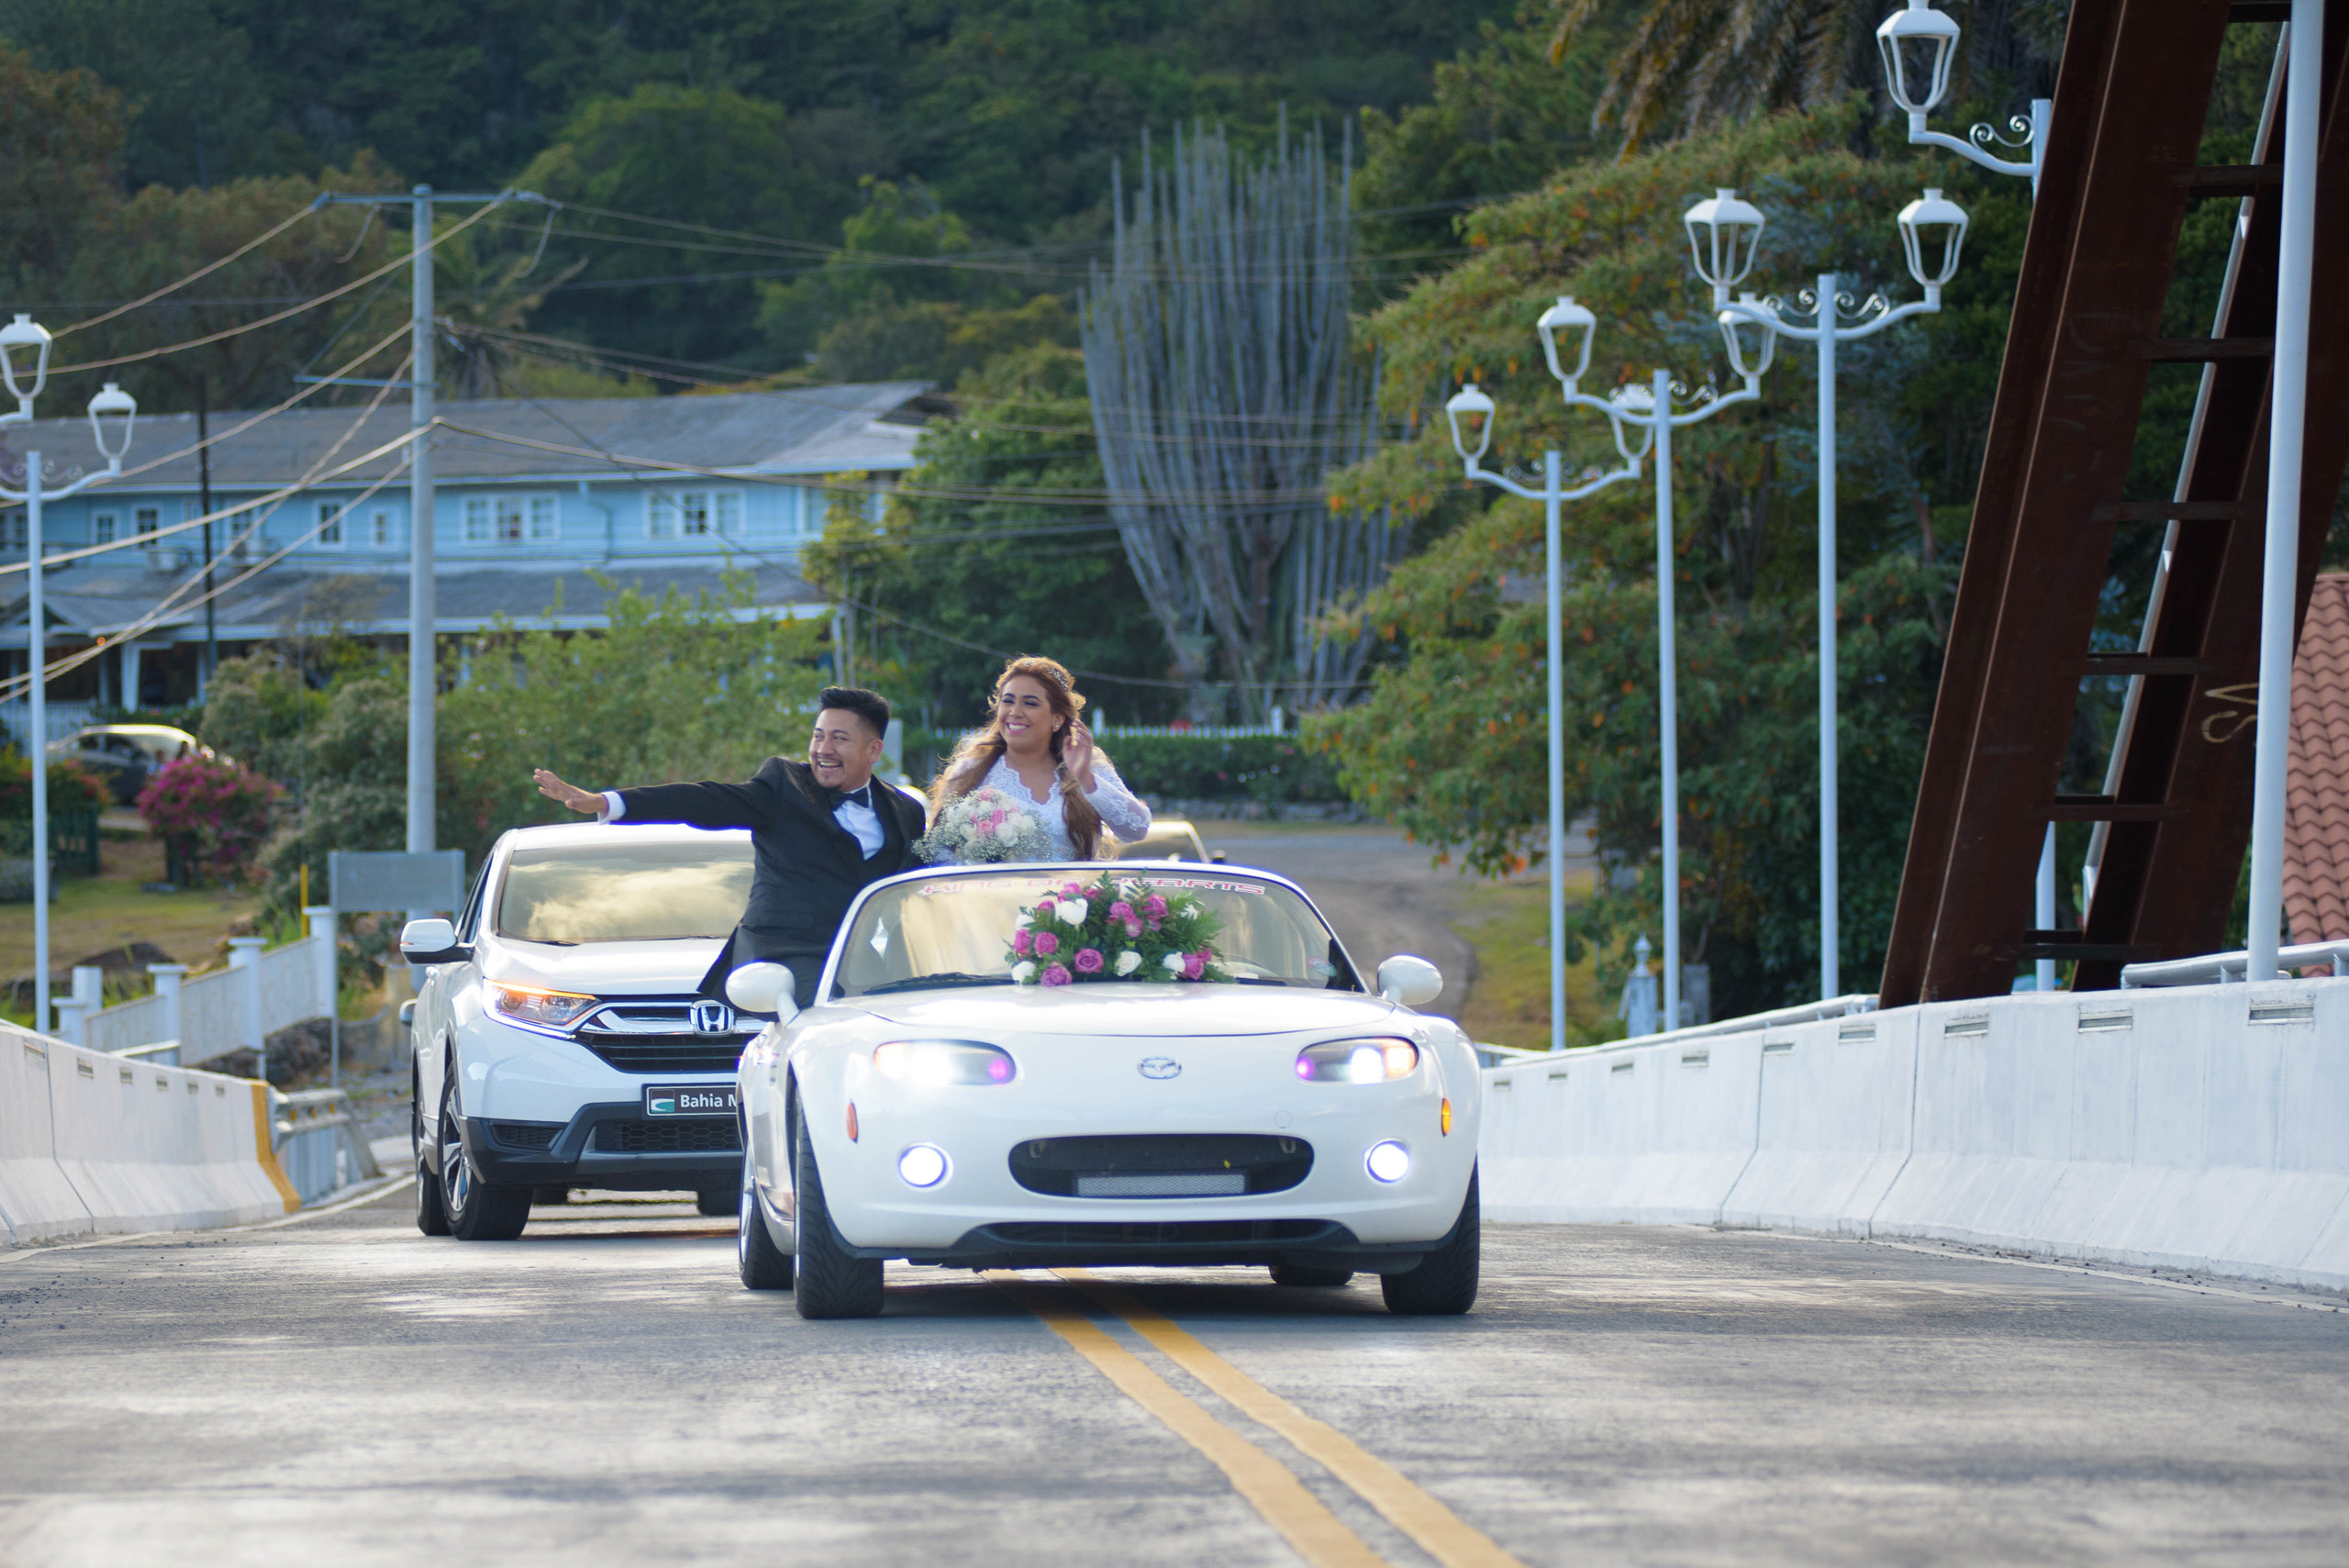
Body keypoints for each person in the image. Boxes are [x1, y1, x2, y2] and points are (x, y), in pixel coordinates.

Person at [530, 686, 925, 1010]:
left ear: (873, 750)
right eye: (818, 736)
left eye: (839, 739)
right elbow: (704, 799)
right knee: (828, 1015)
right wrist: (607, 802)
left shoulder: (905, 811)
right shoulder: (784, 786)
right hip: (787, 951)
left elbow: (918, 885)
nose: (823, 748)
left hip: (860, 958)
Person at [930, 655, 1151, 861]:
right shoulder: (972, 769)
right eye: (1008, 701)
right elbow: (936, 849)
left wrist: (1085, 777)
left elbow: (1137, 829)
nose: (1015, 712)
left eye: (1030, 703)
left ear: (1056, 718)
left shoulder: (1088, 767)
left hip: (1072, 899)